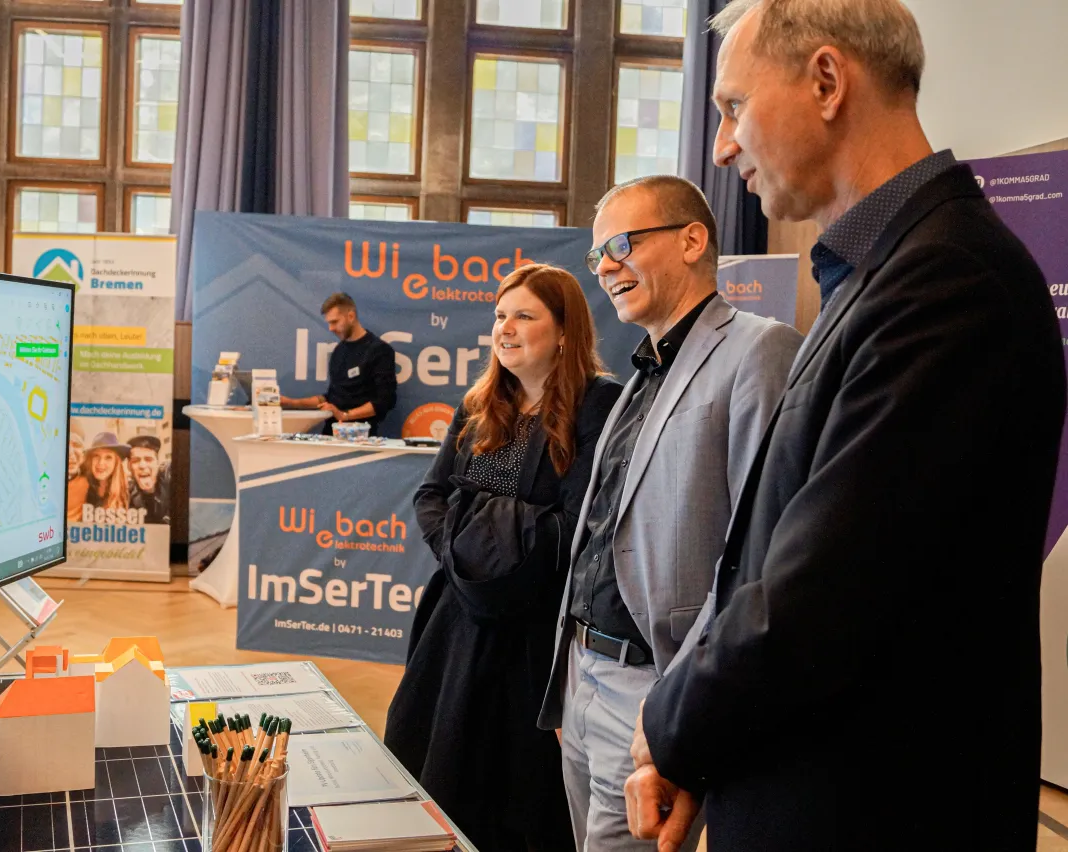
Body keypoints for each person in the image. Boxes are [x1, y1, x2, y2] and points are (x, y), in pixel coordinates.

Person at [627, 2, 1066, 850]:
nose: (722, 147)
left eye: (731, 109)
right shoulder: (881, 270)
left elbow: (819, 598)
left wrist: (669, 724)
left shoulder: (948, 283)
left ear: (826, 81)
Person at [535, 176, 801, 852]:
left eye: (621, 244)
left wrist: (685, 703)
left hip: (655, 682)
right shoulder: (638, 376)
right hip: (584, 677)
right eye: (596, 256)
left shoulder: (758, 349)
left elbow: (760, 548)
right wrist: (572, 679)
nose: (605, 268)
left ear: (691, 240)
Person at [384, 263, 623, 851]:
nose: (505, 328)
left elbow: (580, 523)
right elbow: (432, 495)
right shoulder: (480, 403)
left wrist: (479, 529)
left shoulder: (600, 404)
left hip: (534, 631)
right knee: (437, 766)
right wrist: (465, 555)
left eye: (524, 315)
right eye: (499, 315)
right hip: (457, 619)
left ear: (565, 331)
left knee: (517, 790)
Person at [279, 292, 397, 435]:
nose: (331, 328)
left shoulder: (379, 351)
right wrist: (291, 403)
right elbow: (331, 397)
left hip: (361, 438)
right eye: (329, 323)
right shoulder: (338, 351)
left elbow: (385, 401)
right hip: (330, 434)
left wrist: (345, 415)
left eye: (334, 322)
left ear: (351, 316)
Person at [66, 432, 132, 524]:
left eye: (108, 457)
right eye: (96, 456)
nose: (101, 463)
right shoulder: (83, 483)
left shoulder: (128, 491)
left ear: (116, 463)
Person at [127, 434, 171, 524]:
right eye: (135, 461)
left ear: (158, 463)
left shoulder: (170, 483)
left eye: (148, 459)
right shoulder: (127, 496)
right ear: (129, 466)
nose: (142, 466)